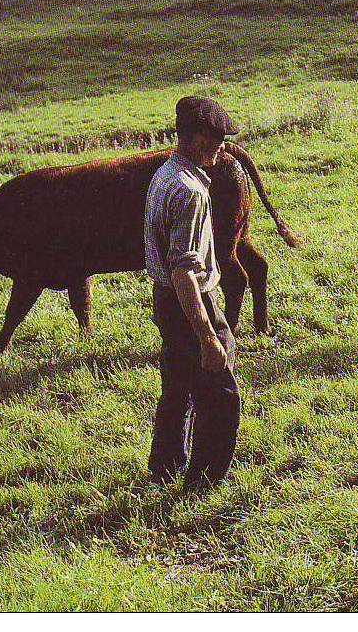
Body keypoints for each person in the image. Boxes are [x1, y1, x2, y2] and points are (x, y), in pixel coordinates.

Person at [144, 95, 242, 491]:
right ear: (197, 137)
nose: (222, 145)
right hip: (189, 300)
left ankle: (164, 468)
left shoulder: (164, 173)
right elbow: (184, 271)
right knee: (220, 392)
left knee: (177, 387)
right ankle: (204, 482)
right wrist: (207, 337)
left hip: (164, 299)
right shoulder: (190, 192)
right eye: (217, 136)